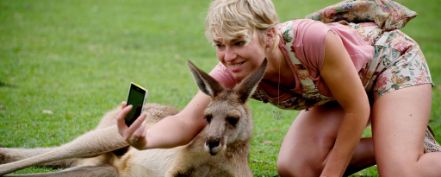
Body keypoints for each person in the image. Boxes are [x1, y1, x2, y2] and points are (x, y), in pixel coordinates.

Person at [116, 0, 441, 176]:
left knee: (401, 172)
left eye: (238, 42)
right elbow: (185, 123)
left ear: (269, 35)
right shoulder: (232, 70)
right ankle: (400, 140)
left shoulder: (311, 40)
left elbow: (357, 108)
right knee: (295, 168)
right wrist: (141, 138)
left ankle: (401, 147)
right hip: (337, 92)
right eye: (219, 45)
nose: (228, 56)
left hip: (387, 65)